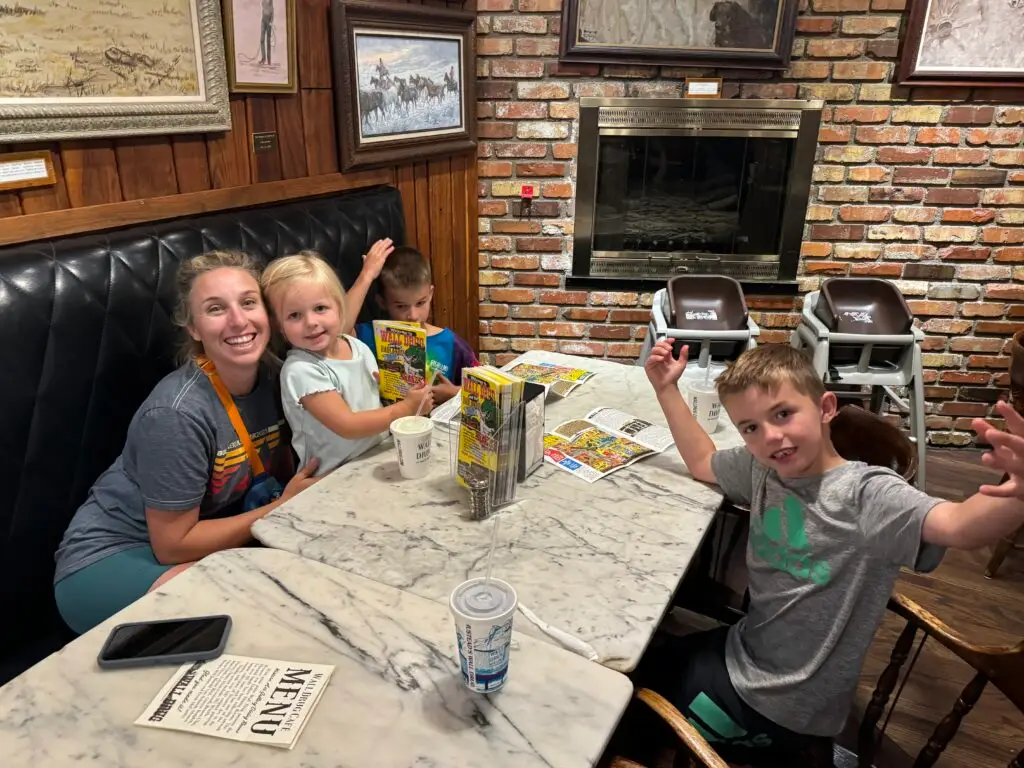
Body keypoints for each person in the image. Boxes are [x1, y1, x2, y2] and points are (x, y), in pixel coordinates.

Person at [638, 340, 1024, 765]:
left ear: (825, 407)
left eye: (783, 413)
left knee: (627, 705)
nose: (770, 436)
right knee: (644, 657)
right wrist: (666, 389)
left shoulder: (866, 495)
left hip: (780, 707)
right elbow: (703, 461)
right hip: (746, 652)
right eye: (750, 427)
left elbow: (960, 526)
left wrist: (1019, 491)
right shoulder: (763, 467)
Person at [53, 251, 322, 634]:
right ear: (193, 327)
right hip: (110, 561)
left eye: (248, 302)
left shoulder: (278, 376)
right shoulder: (176, 414)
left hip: (206, 539)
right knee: (260, 613)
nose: (238, 320)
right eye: (215, 309)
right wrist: (281, 508)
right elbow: (172, 544)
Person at [261, 251, 433, 476]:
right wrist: (405, 408)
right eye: (294, 315)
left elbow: (369, 402)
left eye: (320, 308)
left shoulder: (357, 347)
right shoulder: (300, 370)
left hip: (377, 458)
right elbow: (348, 426)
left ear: (339, 306)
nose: (311, 322)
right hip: (332, 477)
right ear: (278, 325)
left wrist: (399, 391)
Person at [351, 245, 479, 404]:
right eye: (401, 306)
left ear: (430, 294)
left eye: (420, 303)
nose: (412, 316)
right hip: (383, 425)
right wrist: (366, 275)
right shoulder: (368, 334)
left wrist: (454, 393)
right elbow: (337, 332)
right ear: (382, 302)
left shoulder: (451, 344)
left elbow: (485, 391)